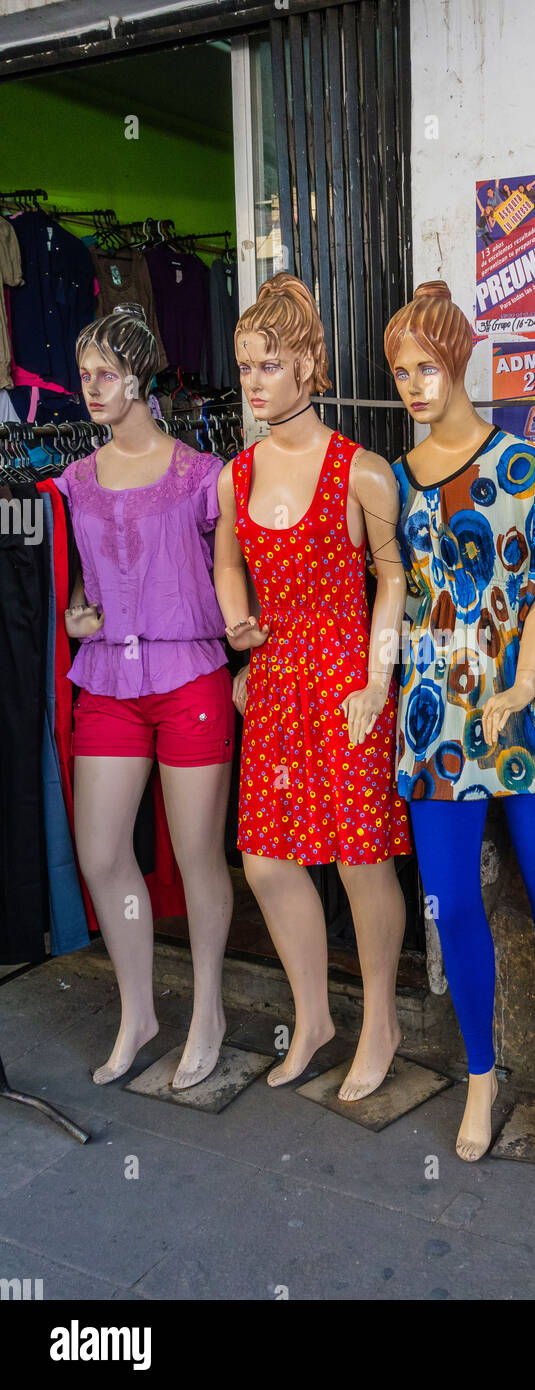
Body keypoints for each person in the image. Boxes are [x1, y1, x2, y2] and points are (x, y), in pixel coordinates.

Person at [385, 281, 535, 1160]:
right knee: (452, 899)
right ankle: (480, 1075)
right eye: (399, 373)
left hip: (525, 707)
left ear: (459, 360)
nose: (414, 386)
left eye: (425, 366)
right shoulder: (392, 480)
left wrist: (528, 672)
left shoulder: (529, 465)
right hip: (433, 710)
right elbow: (394, 592)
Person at [214, 273, 411, 1101]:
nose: (253, 382)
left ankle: (380, 1021)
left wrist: (378, 677)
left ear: (306, 366)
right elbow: (229, 562)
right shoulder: (235, 474)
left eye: (266, 365)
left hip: (346, 681)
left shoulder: (361, 470)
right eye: (245, 366)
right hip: (276, 684)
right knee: (264, 860)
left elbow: (393, 577)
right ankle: (313, 1015)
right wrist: (238, 634)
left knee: (362, 861)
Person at [58, 306, 234, 1089]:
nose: (91, 386)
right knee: (101, 853)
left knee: (197, 853)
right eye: (83, 372)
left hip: (189, 672)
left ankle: (207, 1009)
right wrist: (75, 615)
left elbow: (235, 575)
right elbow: (75, 593)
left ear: (139, 375)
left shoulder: (203, 476)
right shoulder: (73, 481)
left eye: (104, 371)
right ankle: (139, 1009)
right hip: (107, 678)